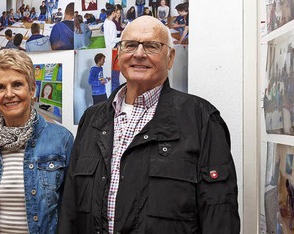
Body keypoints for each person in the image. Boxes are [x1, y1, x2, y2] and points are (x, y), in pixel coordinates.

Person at [58, 16, 240, 233]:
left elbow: (219, 213)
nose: (139, 54)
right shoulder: (92, 119)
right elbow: (70, 207)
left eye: (152, 46)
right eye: (131, 45)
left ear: (170, 58)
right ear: (119, 55)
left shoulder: (202, 119)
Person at [0, 49, 74, 233]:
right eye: (0, 87)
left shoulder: (61, 139)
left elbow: (70, 211)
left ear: (32, 89)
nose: (9, 94)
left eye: (17, 84)